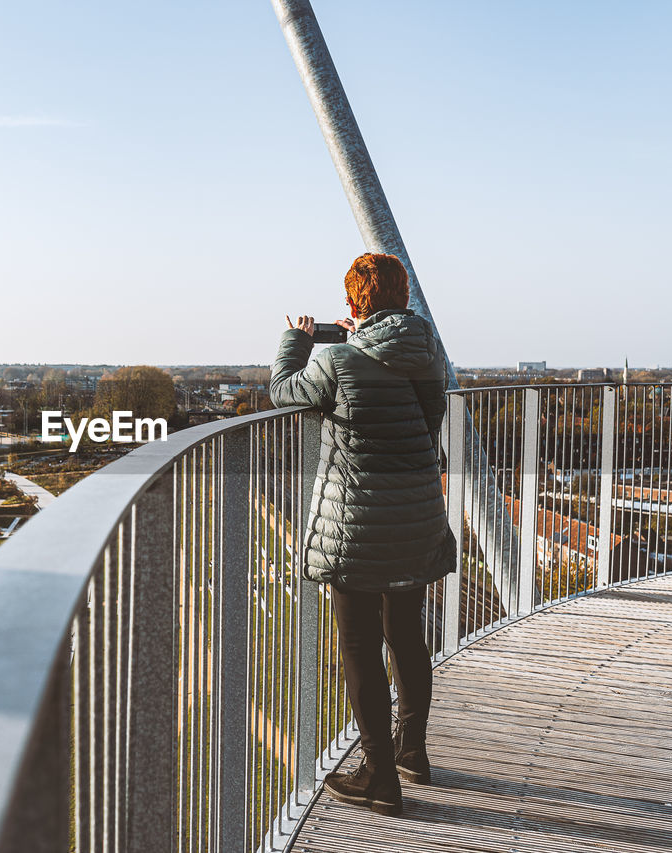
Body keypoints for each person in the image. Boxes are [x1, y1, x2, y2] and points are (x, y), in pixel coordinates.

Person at [270, 252, 456, 816]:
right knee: (406, 634)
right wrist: (368, 338)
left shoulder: (338, 362)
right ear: (402, 299)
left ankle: (377, 775)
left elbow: (282, 390)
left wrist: (296, 341)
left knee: (359, 645)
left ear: (354, 303)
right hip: (416, 516)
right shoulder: (426, 355)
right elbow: (427, 425)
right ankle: (412, 750)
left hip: (358, 525)